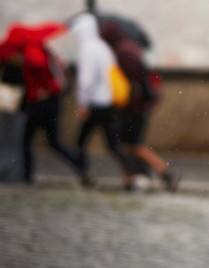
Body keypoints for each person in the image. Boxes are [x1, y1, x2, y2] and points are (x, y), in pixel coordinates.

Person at [98, 19, 180, 192]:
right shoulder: (129, 48)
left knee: (132, 145)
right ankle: (141, 175)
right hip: (138, 105)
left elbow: (132, 80)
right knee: (129, 145)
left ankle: (163, 172)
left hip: (133, 106)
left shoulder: (122, 52)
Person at [0, 21, 86, 184]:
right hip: (49, 102)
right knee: (50, 142)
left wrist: (22, 59)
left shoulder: (31, 50)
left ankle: (27, 176)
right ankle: (79, 167)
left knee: (28, 140)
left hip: (39, 103)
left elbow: (36, 63)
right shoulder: (43, 46)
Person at [71, 12, 138, 189]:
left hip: (97, 103)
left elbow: (86, 80)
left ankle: (85, 174)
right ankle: (132, 175)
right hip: (108, 102)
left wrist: (83, 103)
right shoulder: (101, 46)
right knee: (113, 144)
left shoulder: (87, 49)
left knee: (81, 142)